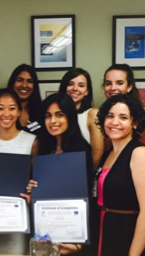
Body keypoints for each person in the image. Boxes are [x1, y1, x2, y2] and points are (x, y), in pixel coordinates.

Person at [28, 92, 94, 255]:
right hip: (44, 236)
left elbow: (87, 200)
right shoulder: (41, 150)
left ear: (70, 117)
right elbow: (36, 192)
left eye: (59, 115)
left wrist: (79, 244)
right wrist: (32, 191)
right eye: (48, 116)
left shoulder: (81, 151)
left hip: (73, 239)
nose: (53, 121)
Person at [94, 94, 145, 256]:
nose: (114, 122)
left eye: (123, 117)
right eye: (110, 116)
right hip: (107, 231)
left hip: (129, 234)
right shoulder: (107, 154)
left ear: (134, 122)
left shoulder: (140, 154)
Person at [0, 88, 39, 256]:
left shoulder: (31, 141)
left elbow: (37, 180)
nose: (6, 113)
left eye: (12, 108)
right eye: (0, 108)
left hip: (18, 220)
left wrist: (33, 191)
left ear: (19, 112)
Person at [102, 64, 145, 156]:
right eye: (108, 83)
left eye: (119, 83)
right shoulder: (101, 115)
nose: (113, 88)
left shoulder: (144, 116)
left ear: (129, 87)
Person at [59, 68, 104, 169]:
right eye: (70, 84)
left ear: (87, 91)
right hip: (58, 171)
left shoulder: (92, 114)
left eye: (81, 85)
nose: (75, 88)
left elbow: (97, 154)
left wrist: (84, 177)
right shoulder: (55, 116)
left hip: (83, 175)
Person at [6, 64, 43, 134]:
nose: (24, 85)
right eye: (20, 80)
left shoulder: (42, 111)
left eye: (29, 81)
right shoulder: (2, 111)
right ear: (13, 83)